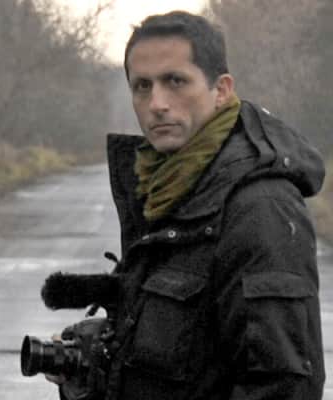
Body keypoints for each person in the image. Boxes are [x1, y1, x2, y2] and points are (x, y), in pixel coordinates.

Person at [49, 10, 326, 400]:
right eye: (142, 86)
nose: (157, 103)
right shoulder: (168, 190)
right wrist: (91, 379)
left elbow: (282, 386)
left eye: (175, 81)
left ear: (221, 89)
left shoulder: (259, 206)